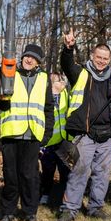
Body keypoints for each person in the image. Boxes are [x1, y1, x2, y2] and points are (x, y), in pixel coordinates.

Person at [57, 29, 111, 221]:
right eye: (99, 57)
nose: (102, 61)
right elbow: (66, 64)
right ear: (92, 56)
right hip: (85, 133)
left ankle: (96, 207)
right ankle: (69, 209)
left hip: (107, 135)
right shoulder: (80, 73)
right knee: (79, 171)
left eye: (105, 58)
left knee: (102, 174)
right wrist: (68, 48)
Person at [0, 44, 54, 221]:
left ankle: (30, 212)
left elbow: (48, 108)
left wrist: (46, 136)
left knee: (30, 176)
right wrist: (1, 96)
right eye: (26, 56)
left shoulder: (44, 78)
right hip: (11, 134)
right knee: (10, 176)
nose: (29, 60)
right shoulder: (10, 74)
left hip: (32, 136)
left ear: (38, 62)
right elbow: (1, 105)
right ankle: (8, 211)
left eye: (33, 58)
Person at [39, 73, 71, 205]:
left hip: (63, 141)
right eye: (57, 81)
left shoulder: (65, 94)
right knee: (48, 171)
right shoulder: (44, 96)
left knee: (65, 171)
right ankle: (45, 194)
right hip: (48, 142)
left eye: (60, 80)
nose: (61, 83)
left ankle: (63, 196)